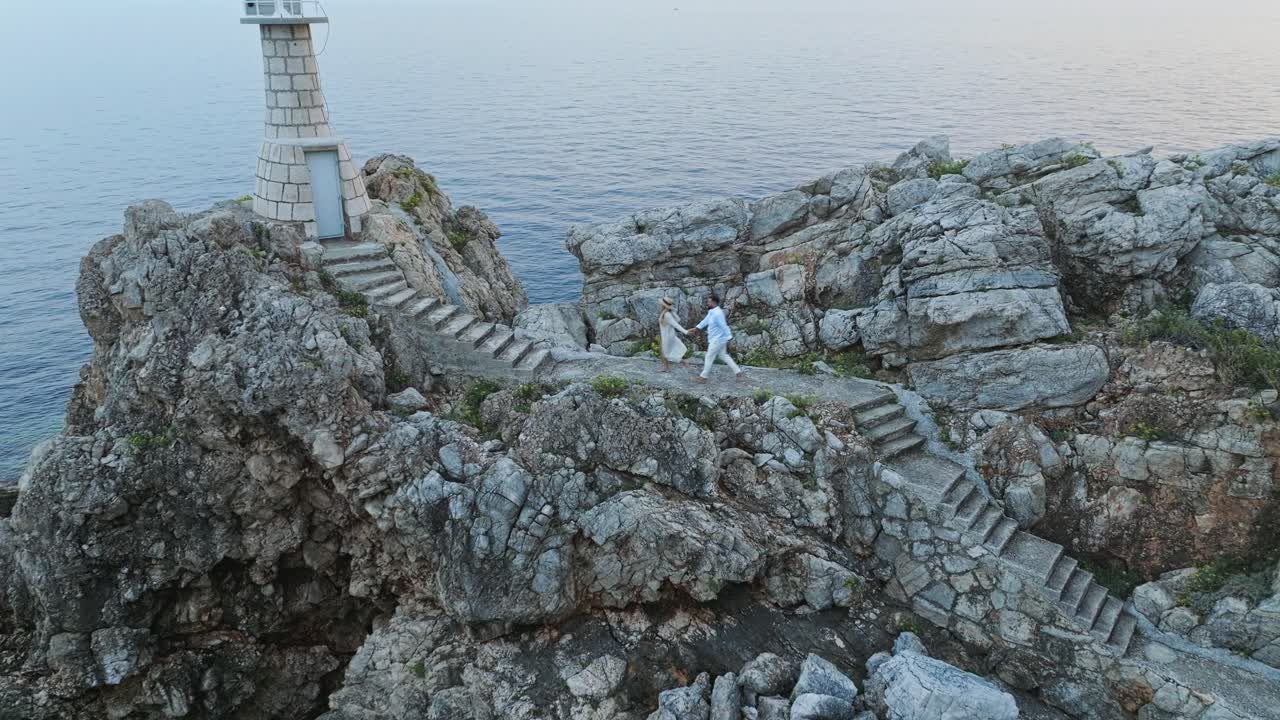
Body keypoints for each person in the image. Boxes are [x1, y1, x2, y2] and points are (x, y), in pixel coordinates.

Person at [688, 294, 743, 383]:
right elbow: (705, 321)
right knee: (723, 355)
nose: (707, 303)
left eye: (709, 302)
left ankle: (703, 377)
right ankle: (738, 372)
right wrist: (696, 328)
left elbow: (724, 326)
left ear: (714, 302)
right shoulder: (712, 312)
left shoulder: (718, 314)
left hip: (718, 339)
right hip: (718, 339)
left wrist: (729, 337)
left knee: (709, 356)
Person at [656, 297, 690, 373]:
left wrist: (685, 332)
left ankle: (681, 362)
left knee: (665, 352)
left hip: (668, 335)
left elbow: (676, 324)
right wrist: (672, 311)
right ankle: (667, 367)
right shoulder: (666, 312)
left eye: (662, 304)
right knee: (664, 352)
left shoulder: (667, 314)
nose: (660, 305)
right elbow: (678, 319)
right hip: (666, 334)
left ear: (663, 305)